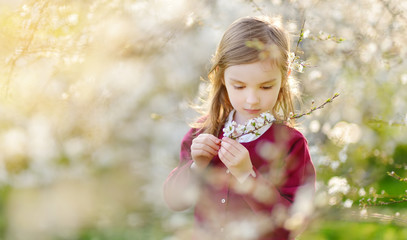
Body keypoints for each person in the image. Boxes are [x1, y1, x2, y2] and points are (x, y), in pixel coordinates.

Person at [163, 16, 316, 240]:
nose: (252, 99)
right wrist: (197, 166)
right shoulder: (204, 132)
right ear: (221, 77)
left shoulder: (290, 143)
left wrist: (248, 177)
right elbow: (174, 201)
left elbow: (291, 225)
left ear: (284, 78)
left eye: (265, 86)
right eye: (239, 86)